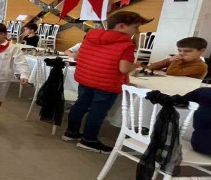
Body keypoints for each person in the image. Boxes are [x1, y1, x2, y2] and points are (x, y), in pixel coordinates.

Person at [61, 11, 152, 153]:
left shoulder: (91, 36)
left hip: (85, 78)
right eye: (135, 27)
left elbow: (77, 57)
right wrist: (135, 65)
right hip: (107, 83)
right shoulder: (126, 44)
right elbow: (123, 68)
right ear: (121, 26)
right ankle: (89, 141)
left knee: (80, 105)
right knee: (97, 112)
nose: (137, 31)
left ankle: (71, 132)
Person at [143, 37, 208, 79]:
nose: (181, 53)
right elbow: (151, 67)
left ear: (201, 51)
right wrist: (169, 60)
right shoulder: (180, 59)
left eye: (188, 51)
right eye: (179, 50)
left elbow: (171, 73)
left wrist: (177, 60)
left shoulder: (201, 66)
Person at [183, 87, 211, 155]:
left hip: (199, 144)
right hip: (201, 144)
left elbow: (179, 101)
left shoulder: (204, 92)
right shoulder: (204, 92)